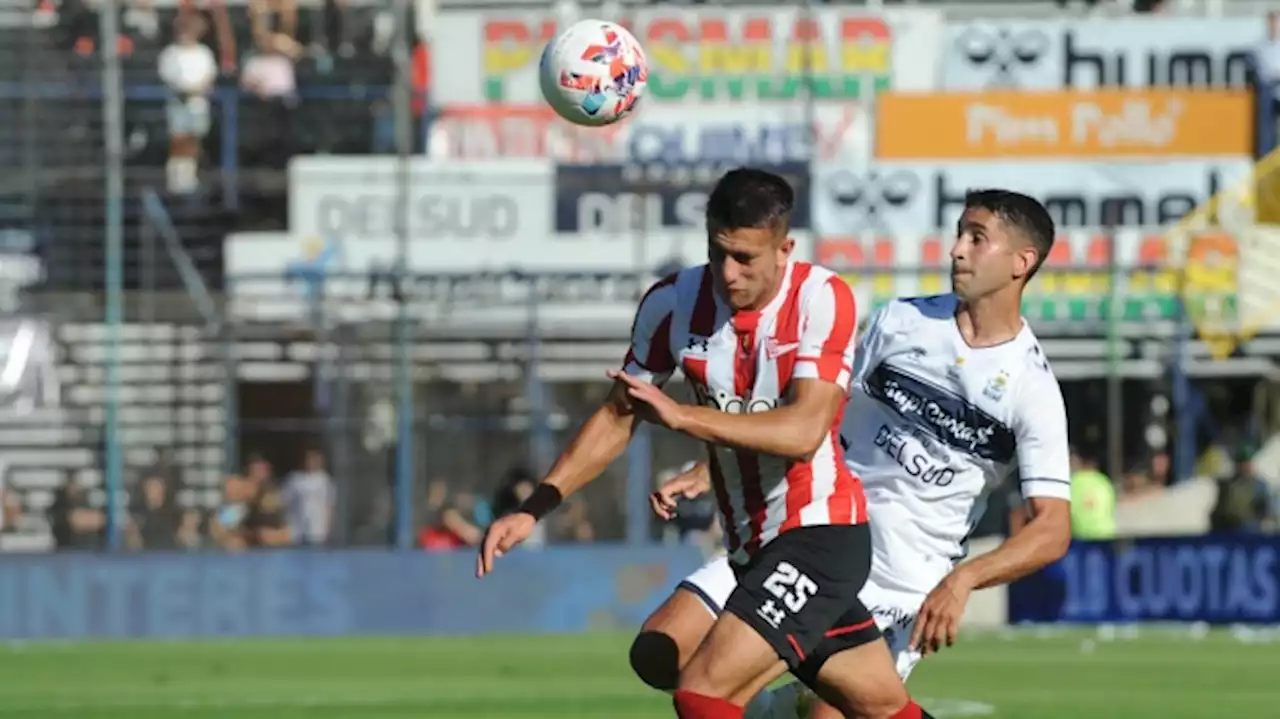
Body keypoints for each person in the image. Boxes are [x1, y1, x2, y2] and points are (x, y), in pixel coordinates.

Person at [476, 168, 931, 719]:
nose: (728, 273)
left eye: (746, 258)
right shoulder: (672, 303)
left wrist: (685, 417)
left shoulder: (822, 298)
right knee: (879, 706)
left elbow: (804, 430)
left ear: (784, 248)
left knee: (703, 691)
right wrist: (535, 509)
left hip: (820, 535)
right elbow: (619, 415)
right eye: (718, 253)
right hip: (750, 548)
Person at [633, 189, 1074, 719]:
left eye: (977, 239)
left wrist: (963, 581)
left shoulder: (1032, 387)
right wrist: (711, 467)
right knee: (661, 652)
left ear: (1022, 263)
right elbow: (822, 406)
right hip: (810, 529)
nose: (956, 249)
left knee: (805, 708)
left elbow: (1052, 529)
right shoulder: (901, 323)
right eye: (959, 232)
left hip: (901, 579)